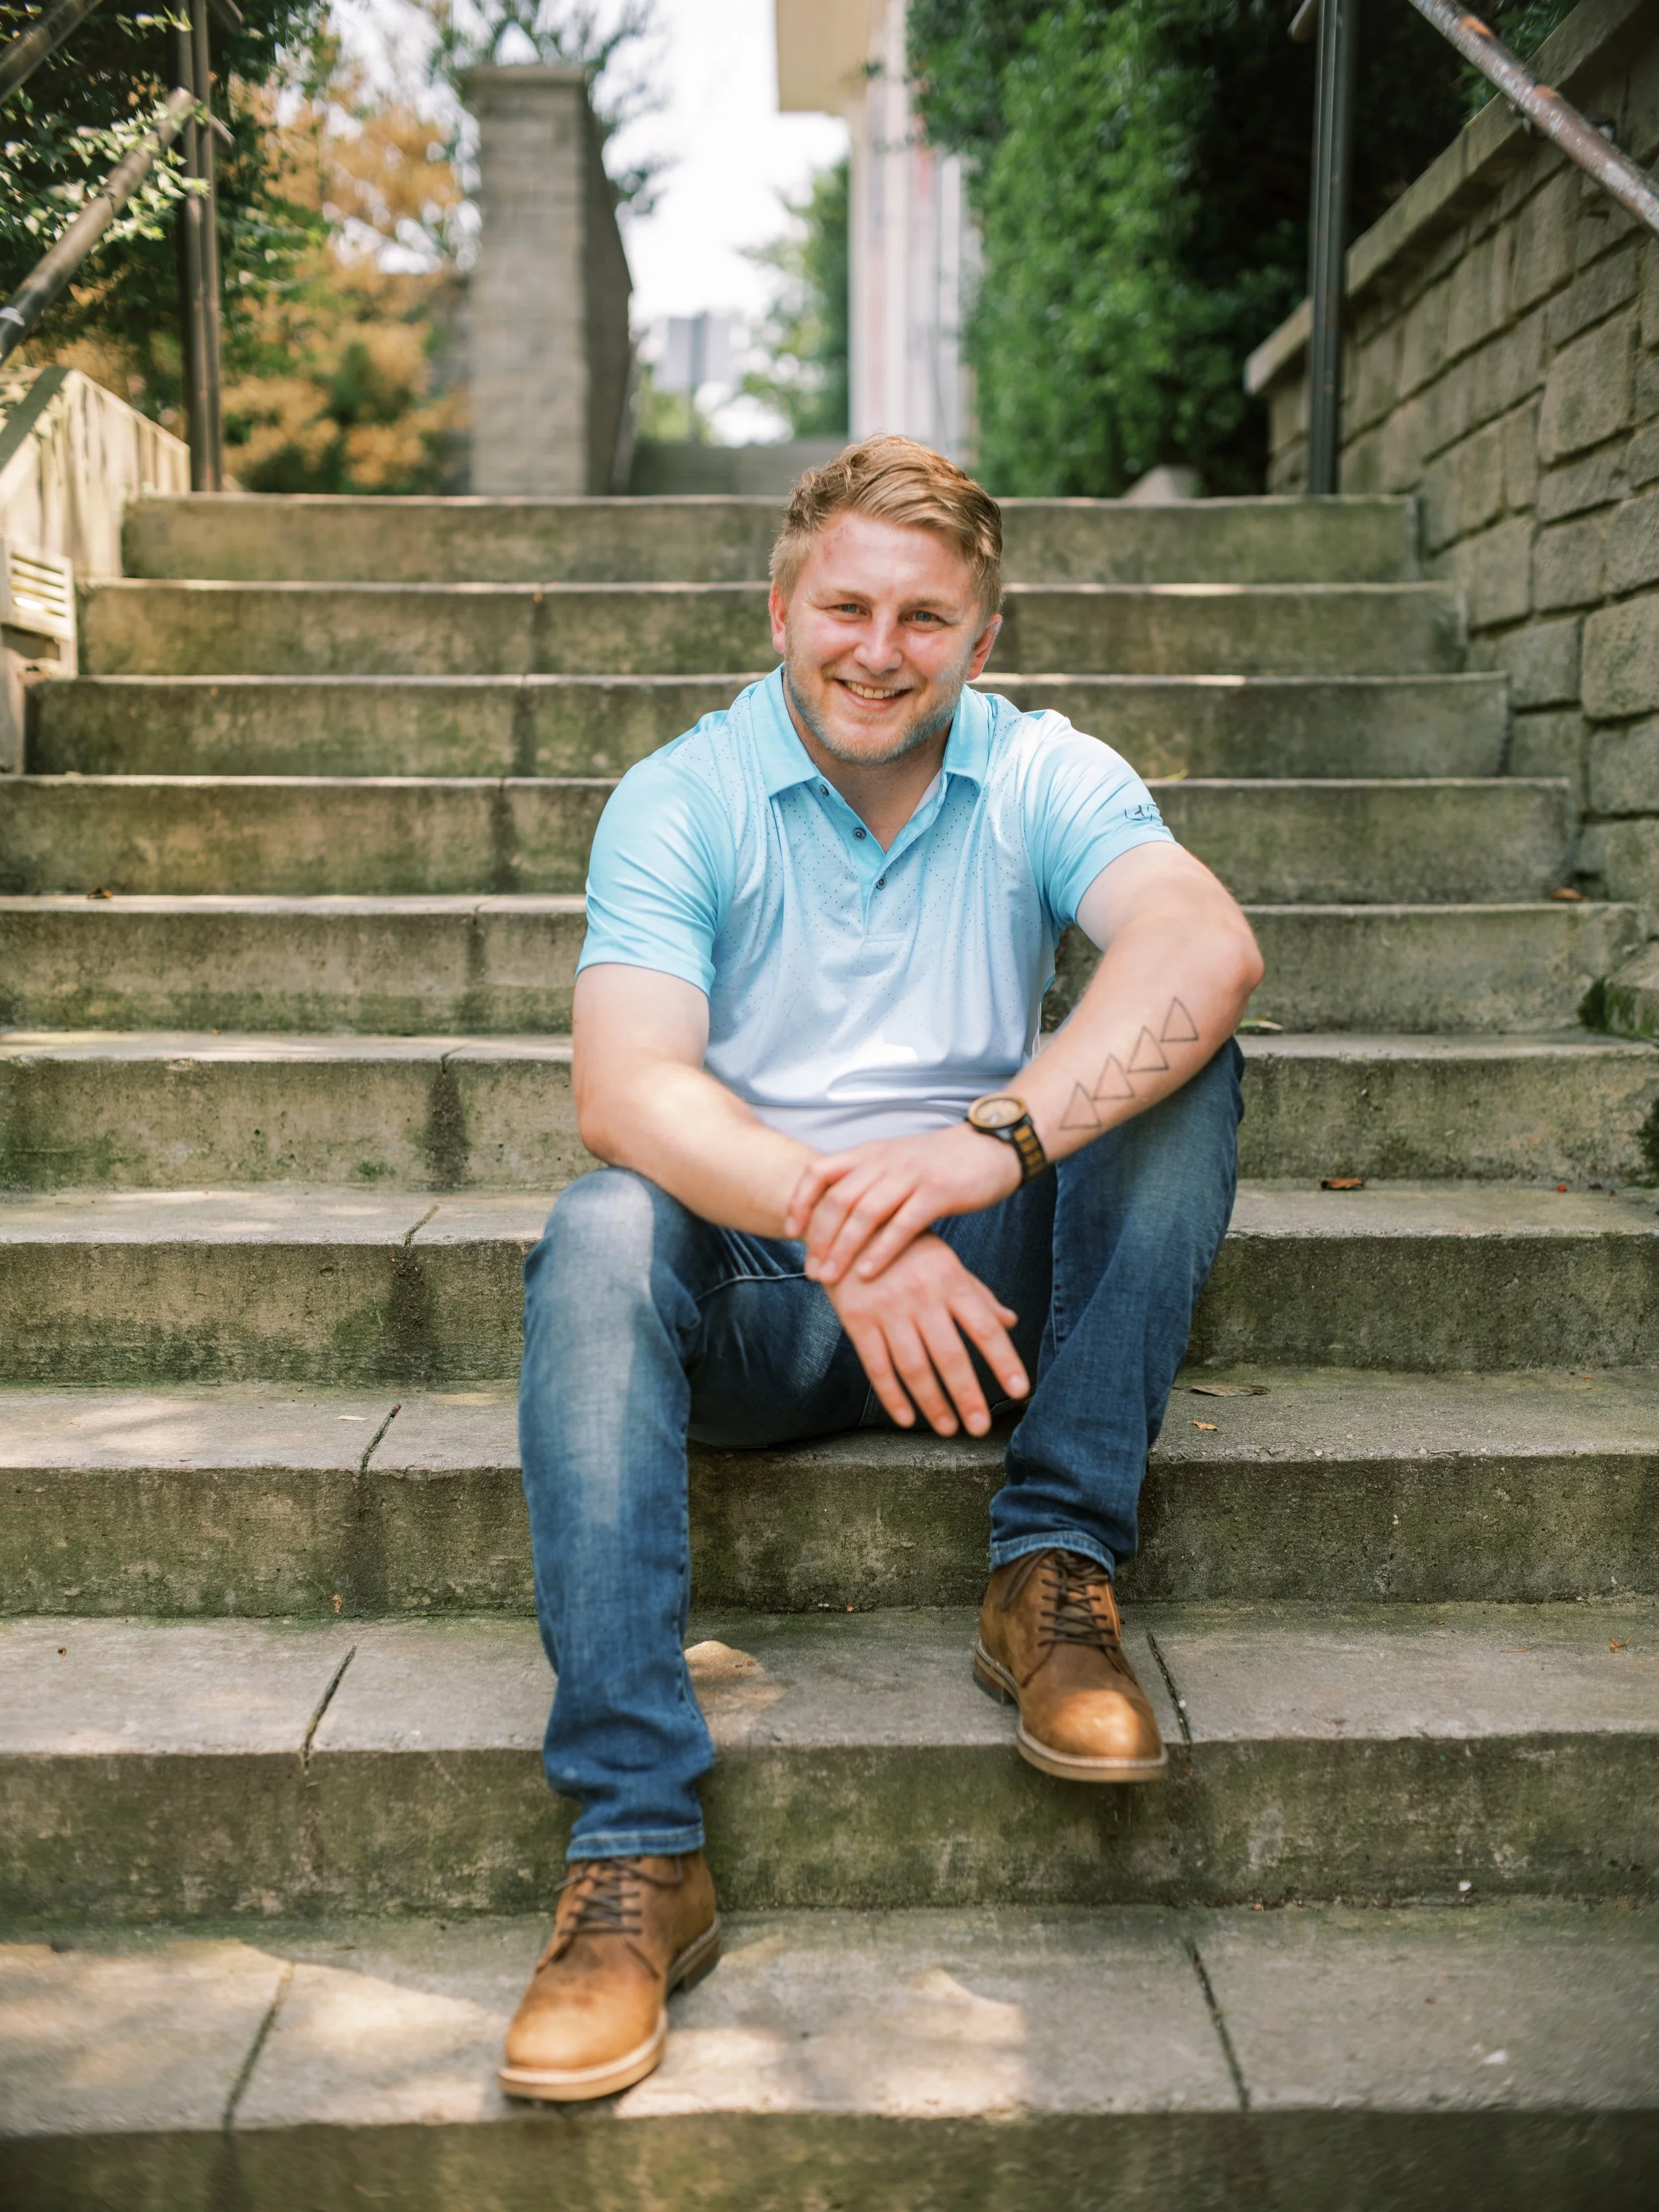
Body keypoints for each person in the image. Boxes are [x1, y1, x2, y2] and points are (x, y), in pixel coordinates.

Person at [499, 436, 1263, 2103]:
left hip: (984, 1284)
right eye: (842, 604)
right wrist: (845, 1225)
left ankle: (1049, 1564)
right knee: (601, 1226)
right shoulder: (681, 794)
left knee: (1179, 1054)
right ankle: (638, 1846)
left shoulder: (1043, 768)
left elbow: (1202, 944)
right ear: (779, 609)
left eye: (924, 618)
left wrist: (969, 1156)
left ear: (981, 641)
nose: (876, 646)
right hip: (764, 1296)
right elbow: (625, 1092)